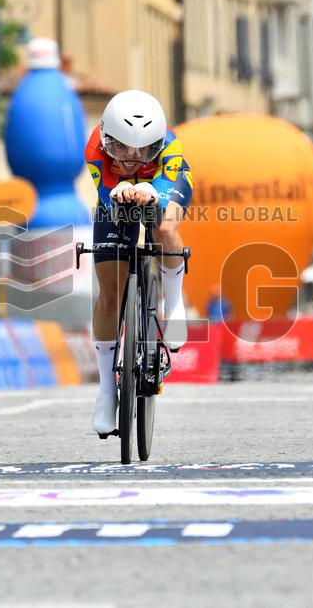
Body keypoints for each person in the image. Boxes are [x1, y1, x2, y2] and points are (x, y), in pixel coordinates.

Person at [86, 89, 193, 435]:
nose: (131, 158)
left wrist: (154, 192)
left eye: (143, 149)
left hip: (164, 180)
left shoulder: (170, 149)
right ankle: (106, 391)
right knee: (109, 294)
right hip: (115, 191)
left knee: (163, 226)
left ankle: (174, 304)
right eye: (120, 149)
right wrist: (118, 190)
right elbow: (106, 192)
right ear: (106, 139)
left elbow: (162, 191)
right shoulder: (94, 149)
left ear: (157, 143)